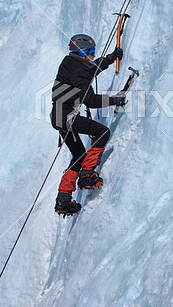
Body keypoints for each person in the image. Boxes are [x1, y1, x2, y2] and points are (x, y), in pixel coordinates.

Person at [51, 34, 125, 216]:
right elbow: (90, 100)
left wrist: (109, 58)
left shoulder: (70, 62)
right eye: (91, 53)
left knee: (78, 154)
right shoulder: (80, 70)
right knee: (102, 132)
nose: (93, 56)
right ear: (84, 52)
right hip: (67, 116)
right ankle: (86, 175)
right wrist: (116, 99)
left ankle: (63, 200)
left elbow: (90, 70)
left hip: (58, 117)